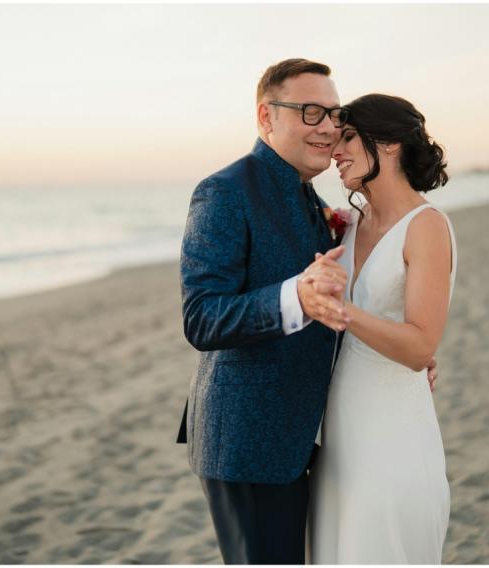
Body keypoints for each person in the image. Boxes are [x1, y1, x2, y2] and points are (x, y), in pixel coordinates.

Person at [176, 60, 439, 564]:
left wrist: (399, 346)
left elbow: (335, 302)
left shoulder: (309, 196)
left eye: (334, 114)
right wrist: (294, 295)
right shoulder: (225, 192)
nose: (328, 128)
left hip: (304, 437)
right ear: (266, 117)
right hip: (248, 442)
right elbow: (202, 317)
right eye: (310, 111)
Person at [307, 94, 456, 563]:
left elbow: (419, 348)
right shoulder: (349, 223)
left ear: (389, 144)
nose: (336, 150)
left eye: (348, 137)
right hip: (340, 440)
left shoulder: (426, 226)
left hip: (393, 437)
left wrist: (340, 310)